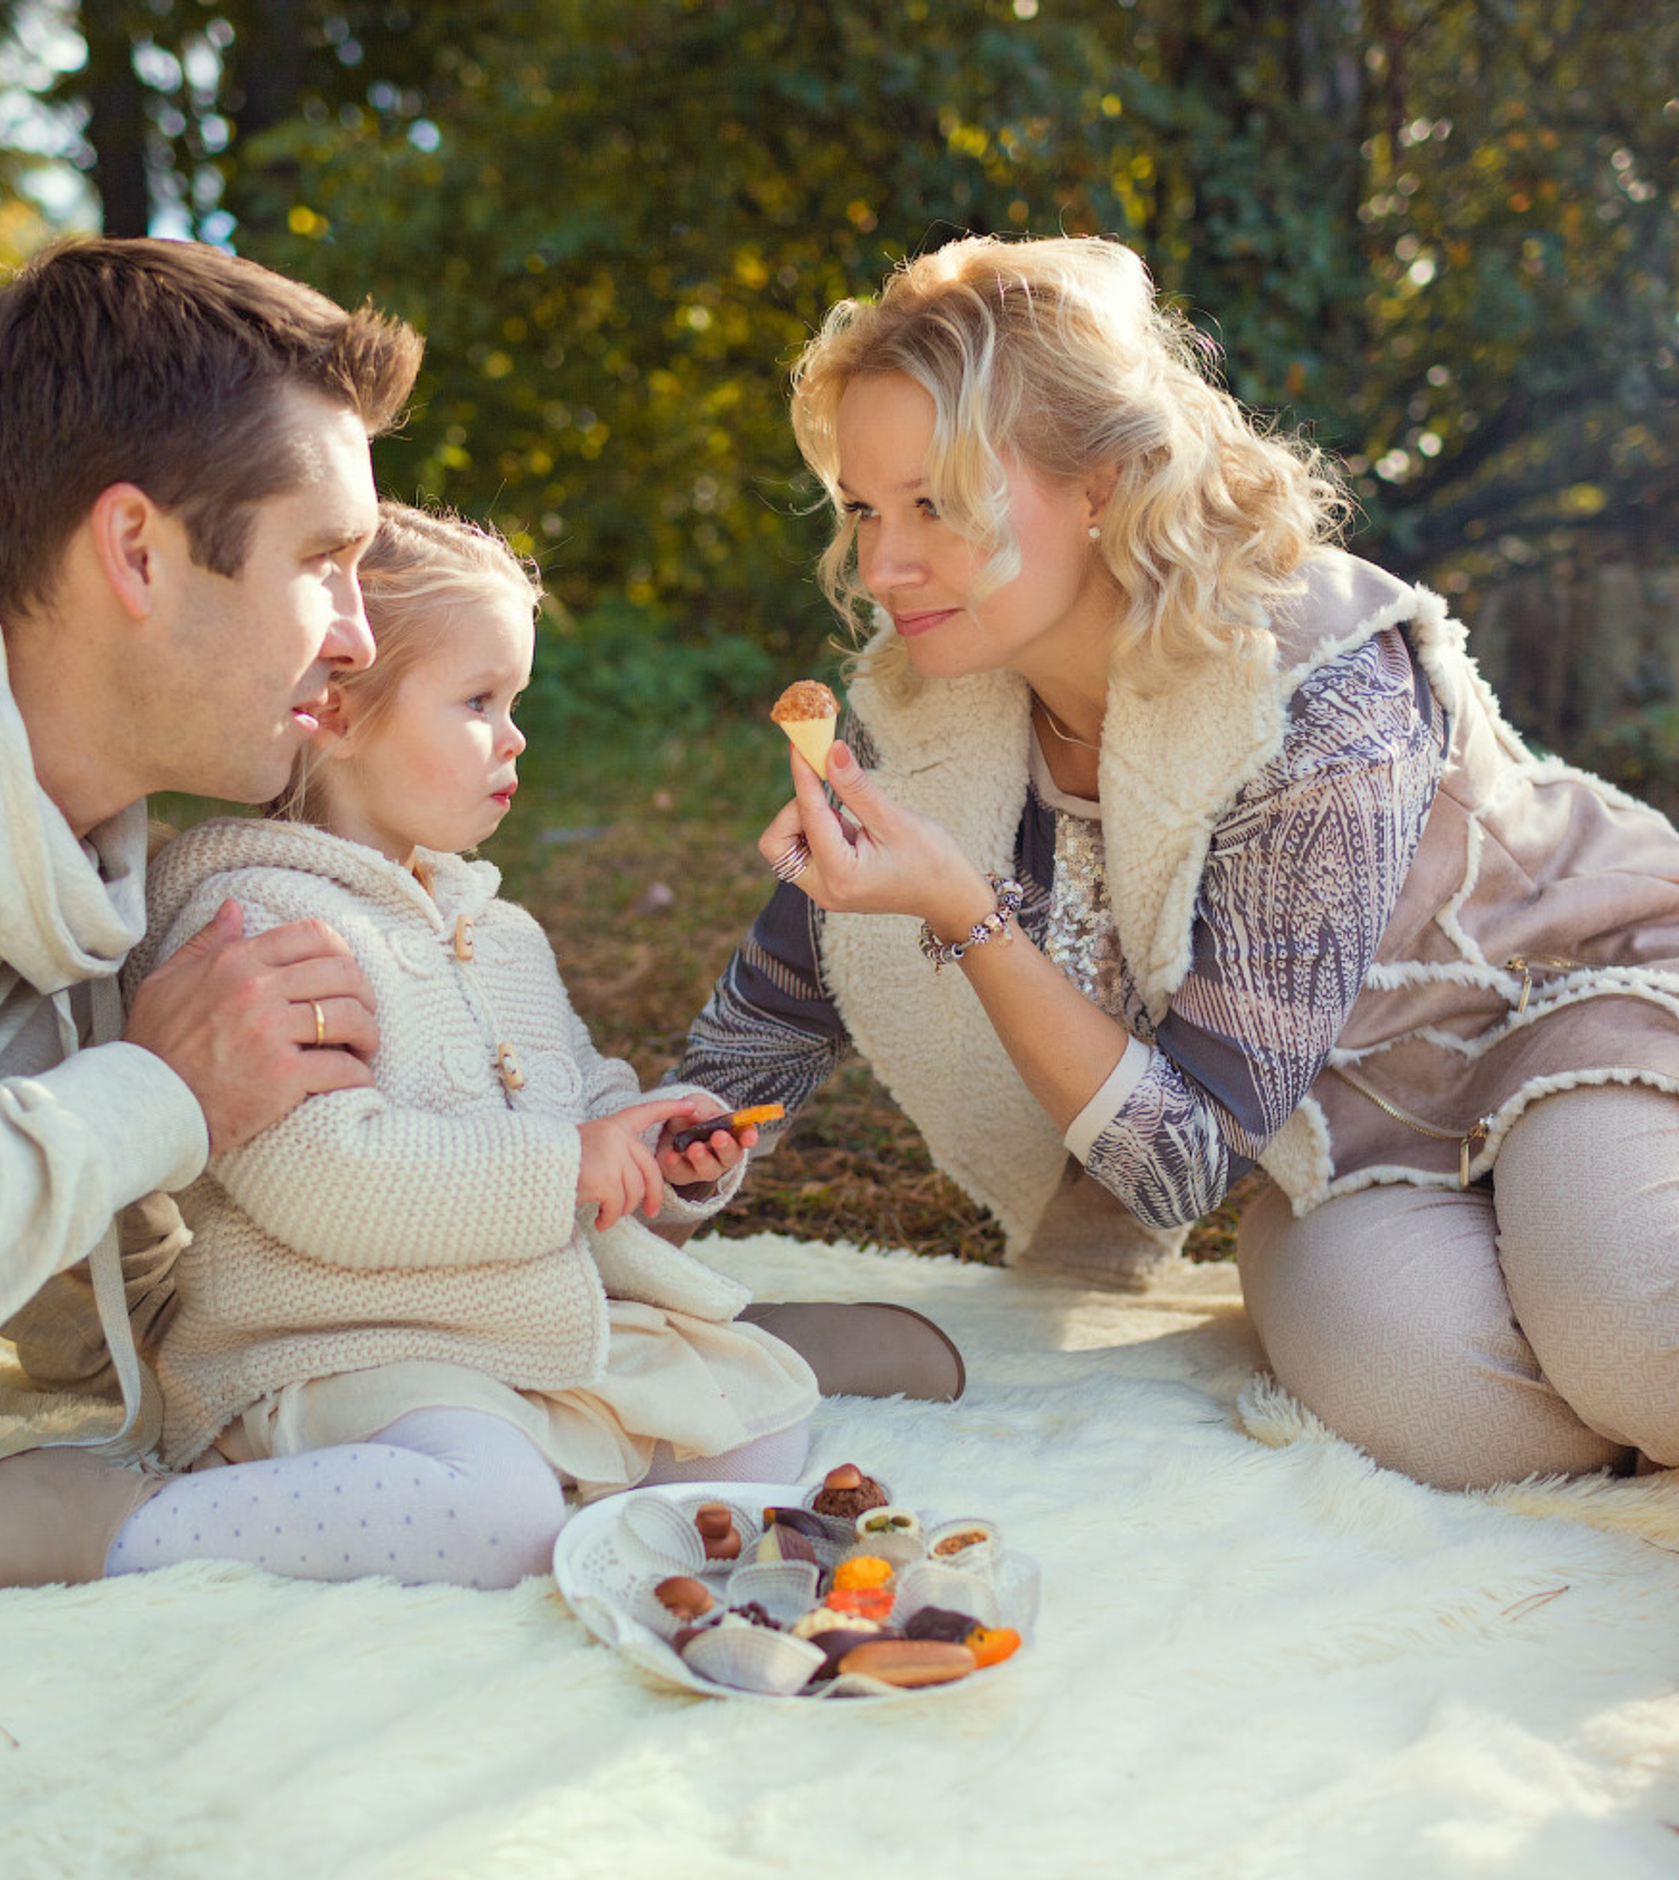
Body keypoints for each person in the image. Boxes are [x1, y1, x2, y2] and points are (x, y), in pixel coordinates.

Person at [677, 231, 1679, 1492]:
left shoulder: (1307, 681)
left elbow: (1186, 1158)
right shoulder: (924, 717)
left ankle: (1592, 1245)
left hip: (1567, 1008)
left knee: (1637, 1344)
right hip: (1342, 1142)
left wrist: (967, 916)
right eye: (868, 511)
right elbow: (764, 1027)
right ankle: (1553, 1251)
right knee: (1446, 1416)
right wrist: (629, 1176)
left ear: (1098, 484)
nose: (882, 565)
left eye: (937, 504)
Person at [0, 503, 822, 1623]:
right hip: (334, 1344)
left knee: (763, 1426)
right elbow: (326, 1177)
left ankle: (501, 1491)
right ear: (336, 711)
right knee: (500, 1520)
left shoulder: (499, 930)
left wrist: (657, 1141)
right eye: (478, 703)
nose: (515, 736)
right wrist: (567, 1165)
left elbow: (584, 1088)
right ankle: (111, 1523)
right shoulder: (257, 921)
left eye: (512, 703)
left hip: (506, 1329)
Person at [0, 236, 422, 1396]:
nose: (359, 638)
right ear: (135, 552)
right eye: (324, 561)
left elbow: (124, 1316)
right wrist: (156, 1093)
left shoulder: (73, 850)